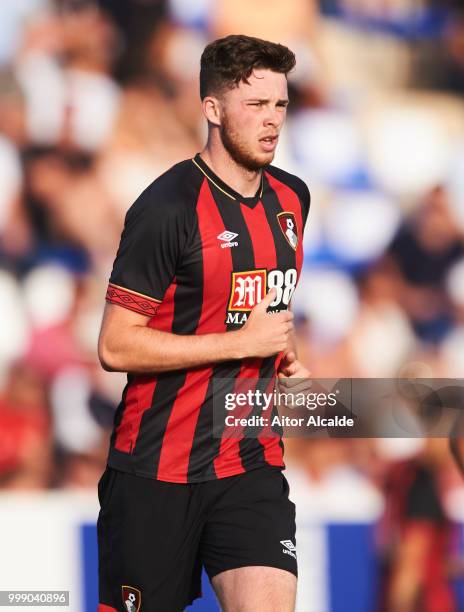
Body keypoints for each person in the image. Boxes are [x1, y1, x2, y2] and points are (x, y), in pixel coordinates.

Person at [97, 34, 311, 612]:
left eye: (280, 105)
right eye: (255, 105)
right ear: (212, 110)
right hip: (156, 472)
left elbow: (255, 303)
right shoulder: (166, 209)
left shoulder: (293, 199)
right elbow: (115, 346)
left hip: (250, 462)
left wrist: (281, 351)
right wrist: (239, 343)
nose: (272, 122)